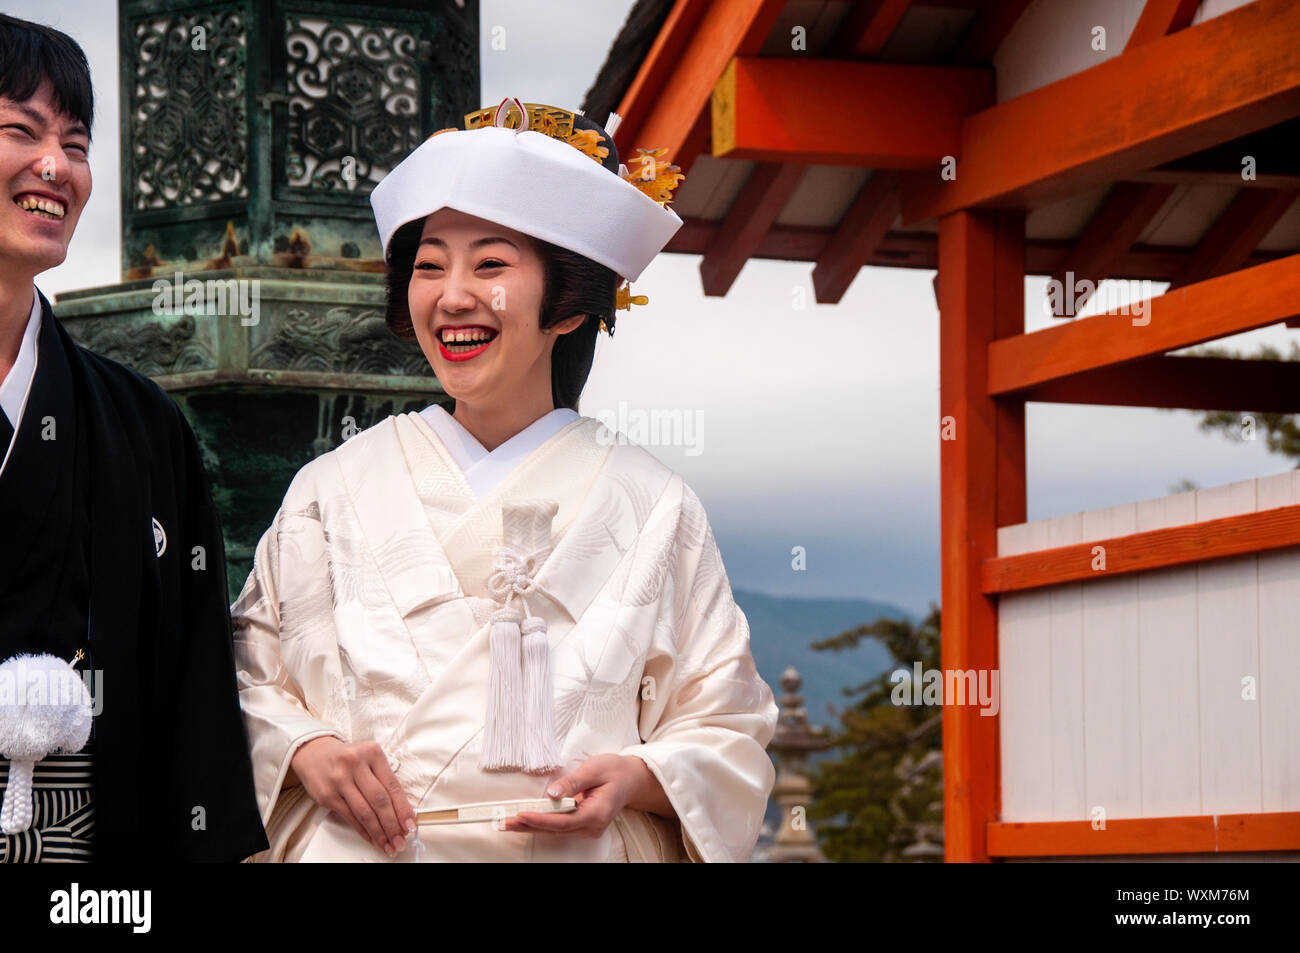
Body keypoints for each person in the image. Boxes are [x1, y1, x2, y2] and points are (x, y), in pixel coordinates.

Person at [231, 97, 777, 862]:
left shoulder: (654, 503)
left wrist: (637, 774)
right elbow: (241, 682)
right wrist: (306, 748)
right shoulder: (331, 487)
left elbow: (727, 726)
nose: (453, 295)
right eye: (430, 266)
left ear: (568, 305)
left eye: (490, 264)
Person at [0, 14, 267, 862]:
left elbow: (193, 686)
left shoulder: (142, 425)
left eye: (75, 144)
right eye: (20, 131)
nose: (55, 167)